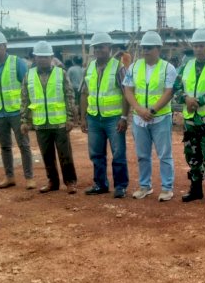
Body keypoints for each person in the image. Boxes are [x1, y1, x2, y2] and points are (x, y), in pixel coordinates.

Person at [172, 29, 205, 204]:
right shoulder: (185, 66)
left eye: (201, 46)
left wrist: (199, 101)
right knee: (192, 154)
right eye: (195, 46)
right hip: (190, 120)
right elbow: (177, 88)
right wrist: (186, 98)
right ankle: (195, 189)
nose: (198, 49)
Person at [0, 30, 35, 190]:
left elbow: (28, 87)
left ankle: (29, 178)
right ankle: (9, 177)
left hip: (17, 112)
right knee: (5, 147)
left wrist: (29, 112)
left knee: (24, 145)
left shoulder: (17, 63)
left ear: (5, 46)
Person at [123, 30, 176, 201]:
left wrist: (152, 110)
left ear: (158, 49)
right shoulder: (134, 67)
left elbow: (169, 92)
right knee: (142, 155)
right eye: (144, 48)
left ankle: (167, 188)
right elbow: (128, 90)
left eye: (150, 48)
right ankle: (145, 186)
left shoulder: (168, 68)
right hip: (140, 119)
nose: (146, 51)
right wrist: (139, 109)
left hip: (160, 118)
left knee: (164, 154)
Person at [20, 41, 78, 194]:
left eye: (46, 57)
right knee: (47, 155)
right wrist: (24, 120)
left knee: (65, 154)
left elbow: (69, 96)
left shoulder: (61, 73)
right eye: (39, 57)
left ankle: (70, 182)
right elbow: (25, 99)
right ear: (34, 58)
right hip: (40, 123)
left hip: (59, 122)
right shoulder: (29, 75)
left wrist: (70, 118)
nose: (42, 59)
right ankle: (52, 181)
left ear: (52, 57)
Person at [80, 32, 129, 198]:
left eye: (101, 47)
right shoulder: (90, 67)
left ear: (109, 48)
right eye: (96, 47)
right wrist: (83, 117)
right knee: (96, 154)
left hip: (114, 118)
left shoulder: (118, 67)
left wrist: (124, 117)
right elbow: (84, 93)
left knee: (118, 153)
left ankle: (120, 186)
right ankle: (100, 184)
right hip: (94, 118)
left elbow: (126, 94)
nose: (98, 50)